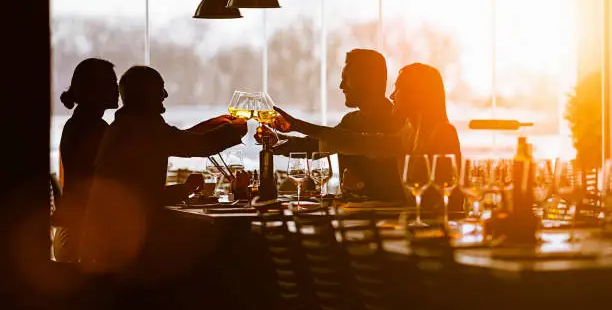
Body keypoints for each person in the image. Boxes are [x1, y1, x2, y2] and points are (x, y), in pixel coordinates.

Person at [80, 65, 247, 276]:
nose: (165, 95)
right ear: (146, 94)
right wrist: (233, 131)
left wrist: (185, 188)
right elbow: (196, 145)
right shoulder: (143, 128)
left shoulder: (127, 125)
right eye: (160, 89)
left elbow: (176, 141)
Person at [273, 63, 461, 210]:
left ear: (416, 94)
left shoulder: (443, 134)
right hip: (415, 224)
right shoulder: (408, 134)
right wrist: (297, 126)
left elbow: (442, 200)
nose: (393, 95)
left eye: (399, 88)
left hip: (438, 228)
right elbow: (355, 142)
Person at [260, 49, 406, 202]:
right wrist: (278, 140)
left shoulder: (399, 123)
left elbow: (396, 189)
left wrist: (360, 186)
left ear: (367, 80)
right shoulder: (351, 120)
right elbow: (318, 144)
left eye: (346, 78)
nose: (341, 86)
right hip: (352, 217)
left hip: (388, 221)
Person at [53, 58, 119, 263]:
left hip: (71, 231)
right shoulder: (95, 129)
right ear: (94, 89)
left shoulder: (77, 124)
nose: (117, 89)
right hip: (83, 236)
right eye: (111, 83)